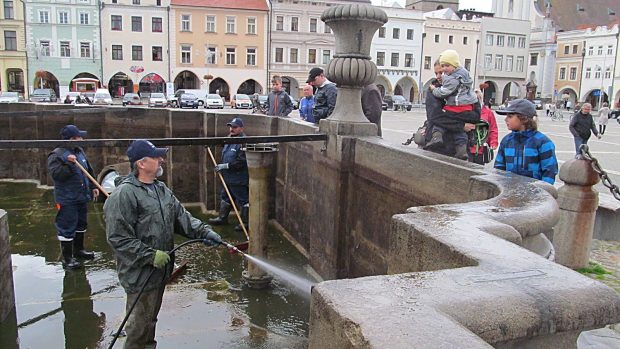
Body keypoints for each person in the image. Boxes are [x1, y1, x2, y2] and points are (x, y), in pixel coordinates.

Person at [104, 139, 222, 349]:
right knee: (139, 328)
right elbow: (119, 239)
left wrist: (205, 231)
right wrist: (150, 255)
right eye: (156, 157)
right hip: (140, 275)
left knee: (149, 322)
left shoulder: (161, 190)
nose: (162, 160)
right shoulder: (124, 195)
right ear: (141, 163)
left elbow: (182, 218)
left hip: (160, 272)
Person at [47, 125, 99, 270]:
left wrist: (93, 186)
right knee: (67, 226)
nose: (82, 139)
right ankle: (68, 258)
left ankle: (79, 250)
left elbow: (88, 170)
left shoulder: (79, 151)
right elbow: (57, 175)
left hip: (82, 196)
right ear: (71, 139)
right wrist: (69, 164)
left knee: (81, 224)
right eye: (79, 137)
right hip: (67, 198)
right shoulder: (56, 155)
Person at [427, 50, 480, 159]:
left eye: (441, 73)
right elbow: (435, 117)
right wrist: (461, 126)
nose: (438, 76)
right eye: (436, 73)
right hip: (440, 149)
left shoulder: (466, 93)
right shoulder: (433, 91)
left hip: (461, 147)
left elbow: (475, 116)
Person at [494, 99, 558, 184]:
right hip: (510, 190)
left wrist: (542, 192)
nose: (506, 119)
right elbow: (499, 168)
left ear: (523, 118)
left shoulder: (543, 142)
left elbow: (549, 172)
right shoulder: (506, 141)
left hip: (534, 193)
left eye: (510, 116)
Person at [208, 117, 249, 231]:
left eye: (235, 127)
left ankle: (245, 223)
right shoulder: (229, 139)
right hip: (228, 177)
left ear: (241, 128)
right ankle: (222, 218)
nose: (232, 129)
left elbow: (241, 162)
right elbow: (221, 144)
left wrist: (225, 166)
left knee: (243, 200)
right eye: (231, 127)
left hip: (238, 178)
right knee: (225, 197)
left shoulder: (243, 142)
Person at [466, 93, 498, 165]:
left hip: (481, 149)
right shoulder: (466, 111)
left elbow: (493, 129)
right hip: (468, 147)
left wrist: (493, 142)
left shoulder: (488, 112)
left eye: (478, 98)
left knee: (478, 171)